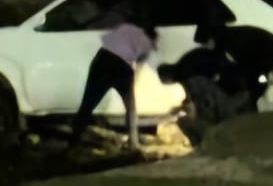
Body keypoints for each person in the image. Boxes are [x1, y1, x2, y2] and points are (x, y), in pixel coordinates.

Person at [71, 13, 158, 150]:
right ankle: (133, 143)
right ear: (152, 35)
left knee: (87, 104)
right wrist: (133, 83)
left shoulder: (124, 27)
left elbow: (105, 43)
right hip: (122, 68)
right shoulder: (147, 43)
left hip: (102, 61)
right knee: (130, 107)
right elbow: (139, 67)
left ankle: (74, 141)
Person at [159, 29, 252, 146]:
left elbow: (194, 99)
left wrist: (183, 108)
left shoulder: (187, 74)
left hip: (224, 95)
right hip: (229, 93)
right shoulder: (188, 65)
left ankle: (210, 143)